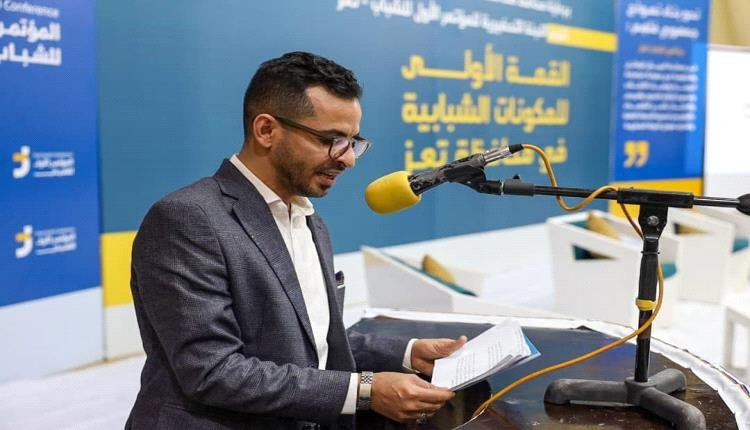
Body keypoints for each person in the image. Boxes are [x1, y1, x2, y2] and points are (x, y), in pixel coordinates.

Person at [125, 51, 467, 429]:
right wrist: (366, 390)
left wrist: (407, 353)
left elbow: (306, 342)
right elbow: (213, 371)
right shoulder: (187, 219)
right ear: (266, 130)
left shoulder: (310, 220)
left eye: (354, 141)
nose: (348, 159)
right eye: (332, 139)